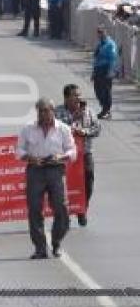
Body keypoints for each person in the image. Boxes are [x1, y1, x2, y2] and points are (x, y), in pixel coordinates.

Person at [17, 98, 76, 259]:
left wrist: (62, 156)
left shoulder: (63, 129)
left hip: (56, 170)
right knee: (35, 209)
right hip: (35, 170)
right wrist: (30, 158)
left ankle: (56, 242)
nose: (44, 114)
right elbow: (19, 151)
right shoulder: (28, 129)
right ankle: (40, 248)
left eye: (46, 110)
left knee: (61, 207)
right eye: (40, 111)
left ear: (52, 110)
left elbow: (72, 151)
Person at [55, 84, 100, 227]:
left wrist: (84, 132)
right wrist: (74, 120)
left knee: (88, 182)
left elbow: (97, 128)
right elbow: (55, 130)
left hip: (84, 153)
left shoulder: (88, 111)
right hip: (65, 154)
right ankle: (65, 213)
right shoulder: (58, 112)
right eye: (75, 95)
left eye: (79, 95)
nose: (79, 98)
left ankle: (82, 209)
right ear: (66, 98)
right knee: (64, 185)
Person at [92, 25, 118, 120]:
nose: (100, 34)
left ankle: (107, 110)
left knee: (106, 91)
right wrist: (93, 71)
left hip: (106, 69)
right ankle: (104, 107)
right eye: (98, 32)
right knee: (97, 90)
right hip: (98, 70)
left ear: (106, 32)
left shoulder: (110, 44)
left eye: (102, 32)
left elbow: (113, 58)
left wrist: (111, 71)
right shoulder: (99, 44)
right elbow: (95, 58)